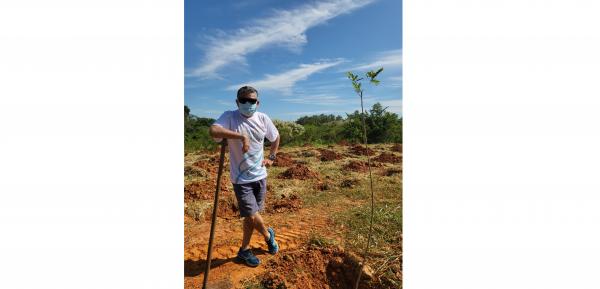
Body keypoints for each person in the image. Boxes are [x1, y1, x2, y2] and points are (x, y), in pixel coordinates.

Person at [208, 86, 280, 267]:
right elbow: (214, 131)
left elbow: (275, 137)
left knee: (250, 216)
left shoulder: (263, 118)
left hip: (260, 175)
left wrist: (271, 157)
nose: (248, 104)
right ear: (237, 102)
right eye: (244, 100)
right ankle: (268, 235)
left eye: (252, 101)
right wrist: (241, 137)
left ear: (258, 102)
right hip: (241, 179)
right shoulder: (230, 117)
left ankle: (244, 249)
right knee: (250, 213)